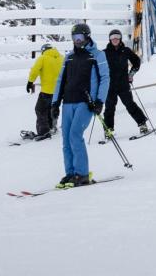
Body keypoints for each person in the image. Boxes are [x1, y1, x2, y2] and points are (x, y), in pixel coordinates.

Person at [50, 23, 108, 188]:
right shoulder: (69, 57)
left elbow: (105, 79)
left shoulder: (97, 55)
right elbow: (61, 80)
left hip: (86, 102)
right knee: (66, 139)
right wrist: (55, 102)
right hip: (68, 102)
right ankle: (71, 173)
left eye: (80, 37)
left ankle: (82, 174)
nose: (77, 41)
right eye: (74, 38)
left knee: (75, 135)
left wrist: (99, 101)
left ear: (87, 37)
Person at [101, 29, 151, 138]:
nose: (115, 39)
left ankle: (142, 124)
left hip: (123, 84)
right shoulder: (104, 53)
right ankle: (108, 130)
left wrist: (131, 74)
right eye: (112, 37)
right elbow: (98, 68)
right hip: (110, 86)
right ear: (110, 39)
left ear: (120, 39)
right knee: (109, 108)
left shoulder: (126, 50)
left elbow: (136, 62)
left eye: (117, 37)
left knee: (130, 104)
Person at [23, 42, 62, 140]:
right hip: (59, 92)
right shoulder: (61, 57)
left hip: (47, 91)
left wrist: (30, 82)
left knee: (40, 110)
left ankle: (44, 132)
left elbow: (35, 70)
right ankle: (52, 127)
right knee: (52, 109)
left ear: (44, 50)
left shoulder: (43, 58)